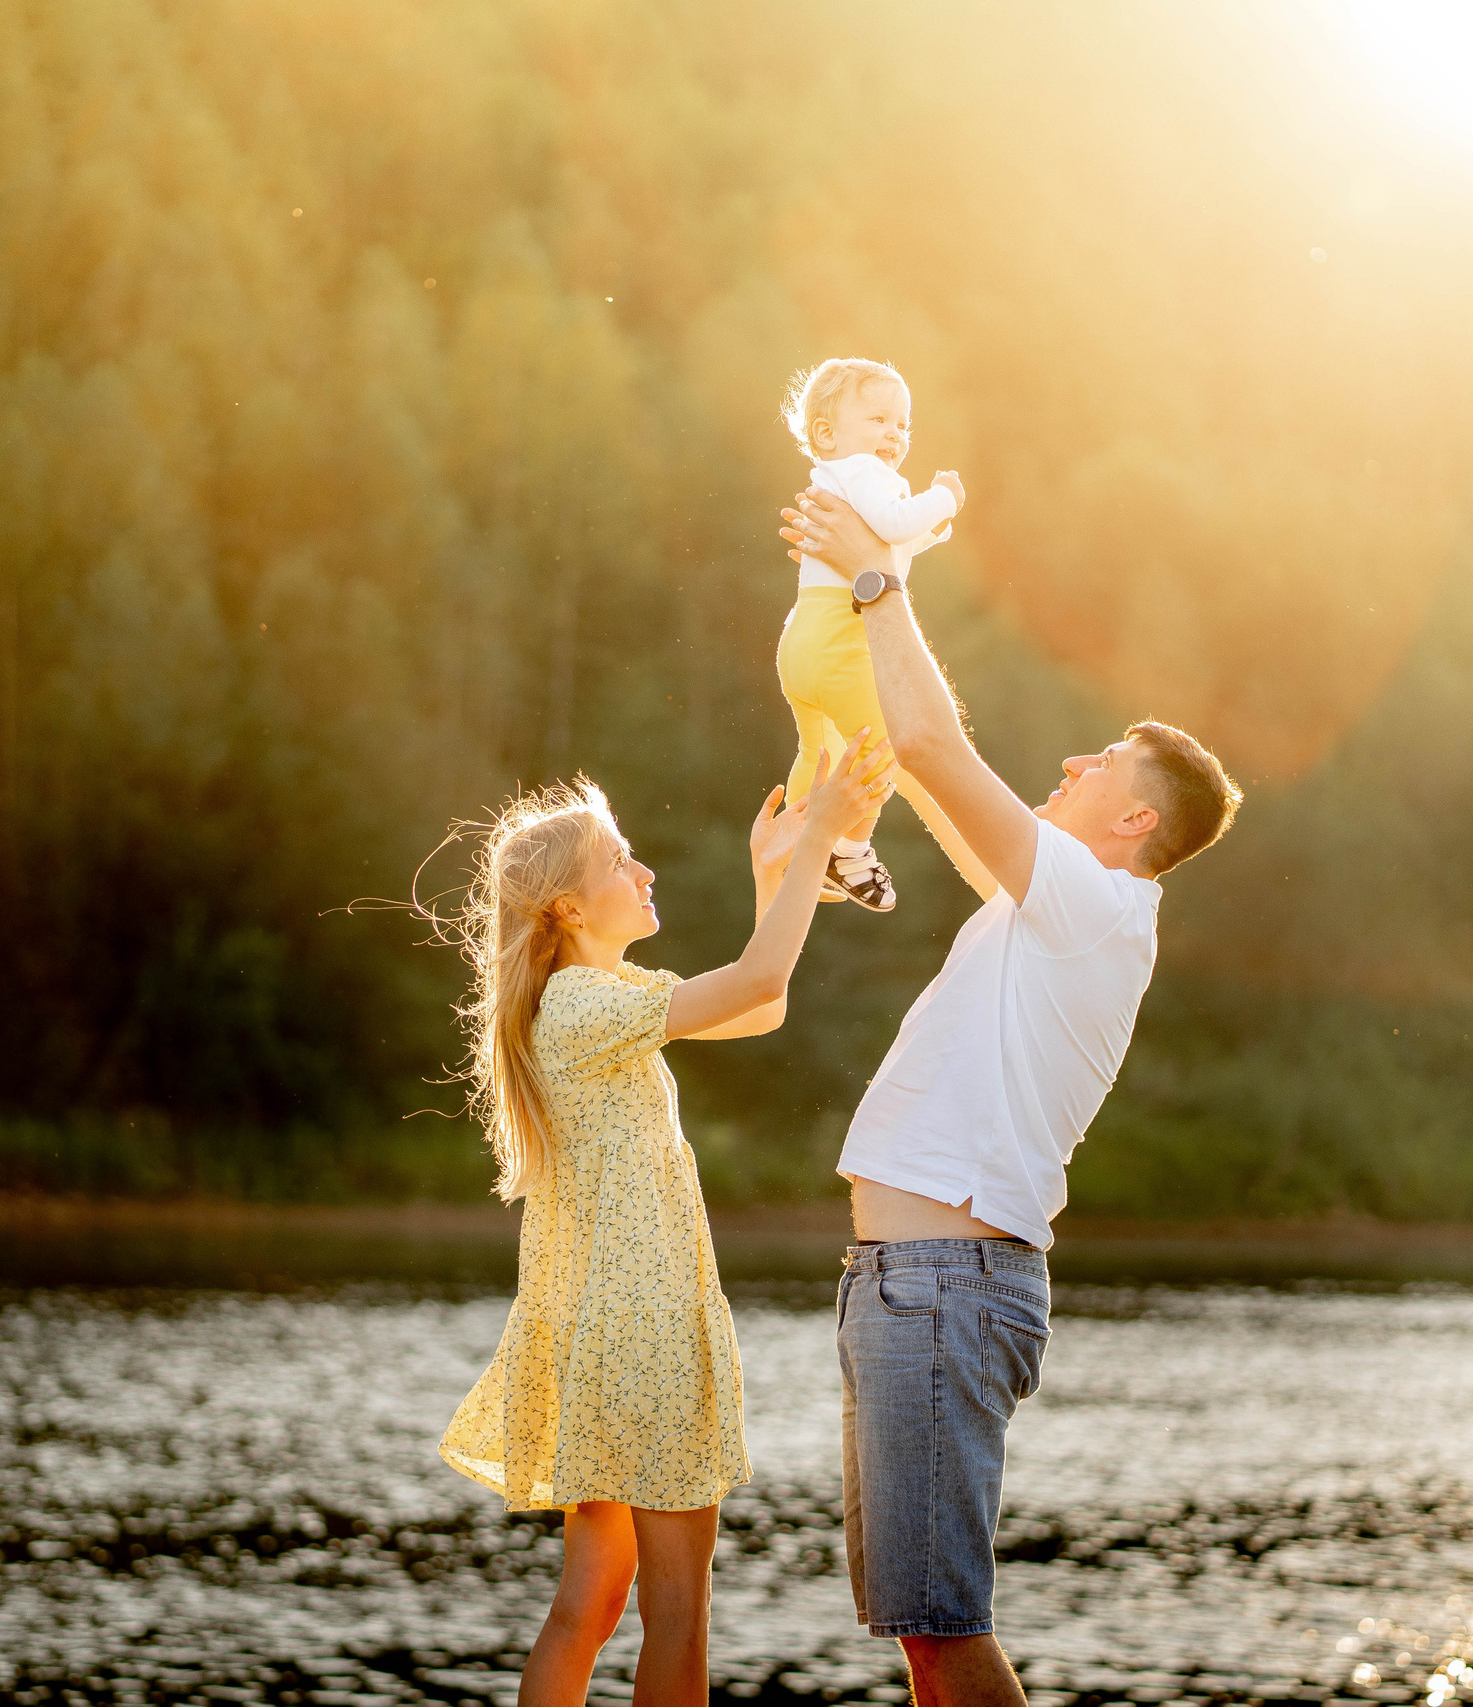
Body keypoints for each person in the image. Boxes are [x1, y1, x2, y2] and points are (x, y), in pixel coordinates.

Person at [779, 489, 1242, 1707]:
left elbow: (942, 755)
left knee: (942, 1625)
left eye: (1097, 763)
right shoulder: (1049, 907)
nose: (1069, 764)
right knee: (921, 1628)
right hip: (910, 1282)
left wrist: (882, 580)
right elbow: (930, 768)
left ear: (1133, 821)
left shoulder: (1097, 906)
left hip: (945, 1285)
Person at [435, 736, 891, 1707]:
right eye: (618, 862)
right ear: (566, 906)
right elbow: (762, 984)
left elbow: (753, 1008)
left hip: (602, 1333)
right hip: (642, 1334)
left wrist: (777, 872)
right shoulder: (584, 1008)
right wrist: (814, 841)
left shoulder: (590, 1000)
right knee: (678, 1610)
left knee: (591, 1602)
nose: (643, 872)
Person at [777, 358, 967, 913]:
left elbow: (884, 547)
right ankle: (851, 852)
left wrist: (925, 533)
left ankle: (796, 837)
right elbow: (890, 527)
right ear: (826, 433)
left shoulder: (834, 478)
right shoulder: (867, 473)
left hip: (804, 635)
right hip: (843, 638)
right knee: (884, 749)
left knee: (819, 750)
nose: (893, 434)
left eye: (903, 425)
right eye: (879, 419)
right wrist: (944, 499)